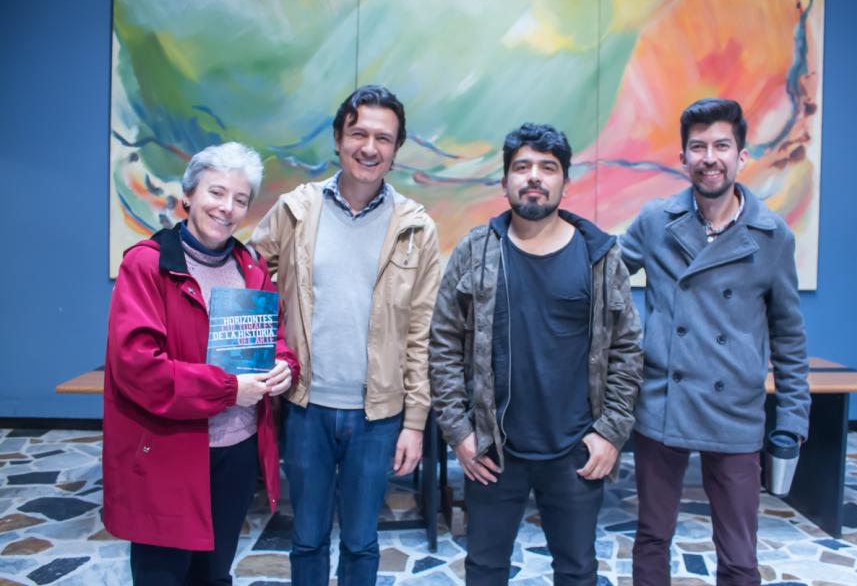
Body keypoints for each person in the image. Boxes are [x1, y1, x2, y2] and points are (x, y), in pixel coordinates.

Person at [429, 123, 644, 585]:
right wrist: (460, 433)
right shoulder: (475, 252)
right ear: (505, 180)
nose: (533, 177)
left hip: (576, 449)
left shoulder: (599, 257)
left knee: (577, 571)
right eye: (522, 166)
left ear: (565, 181)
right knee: (485, 570)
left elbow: (626, 349)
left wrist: (610, 433)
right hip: (493, 451)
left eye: (548, 168)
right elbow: (443, 343)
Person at [250, 85, 441, 585]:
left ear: (396, 150)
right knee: (307, 538)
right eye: (358, 134)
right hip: (305, 408)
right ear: (338, 139)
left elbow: (422, 332)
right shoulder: (295, 210)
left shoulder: (416, 228)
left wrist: (415, 422)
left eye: (383, 138)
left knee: (361, 542)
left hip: (378, 416)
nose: (369, 147)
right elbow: (250, 285)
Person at [621, 98, 811, 585]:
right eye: (698, 147)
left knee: (739, 555)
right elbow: (602, 276)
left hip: (736, 413)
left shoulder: (772, 236)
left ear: (741, 156)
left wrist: (792, 419)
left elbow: (789, 336)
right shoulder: (655, 221)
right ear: (682, 158)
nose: (710, 158)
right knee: (651, 538)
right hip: (663, 404)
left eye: (721, 146)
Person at [103, 142, 299, 585]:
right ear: (188, 195)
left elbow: (274, 339)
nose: (227, 208)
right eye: (216, 192)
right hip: (169, 452)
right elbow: (139, 369)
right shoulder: (148, 265)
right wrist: (228, 391)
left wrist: (285, 366)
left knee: (214, 575)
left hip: (236, 451)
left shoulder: (251, 268)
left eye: (240, 199)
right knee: (163, 577)